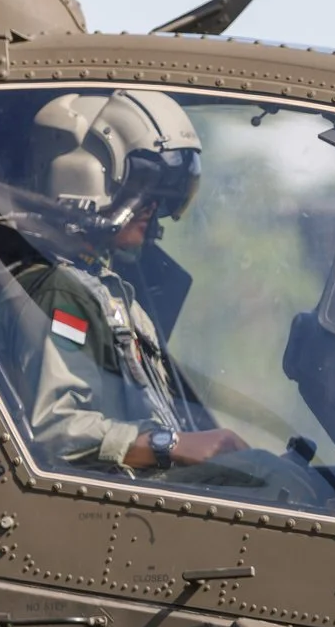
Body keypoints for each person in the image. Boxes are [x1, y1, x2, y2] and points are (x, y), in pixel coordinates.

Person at [15, 89, 249, 477]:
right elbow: (55, 427)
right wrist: (171, 446)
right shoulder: (65, 295)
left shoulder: (111, 293)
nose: (154, 207)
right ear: (88, 178)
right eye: (144, 188)